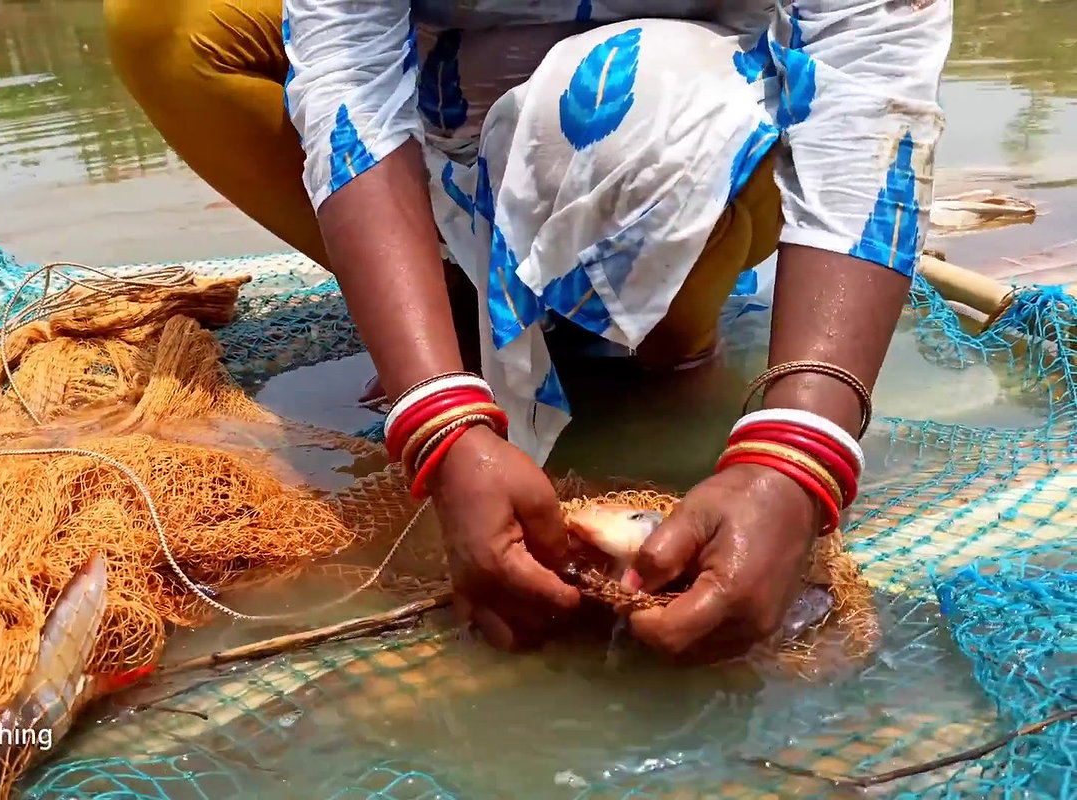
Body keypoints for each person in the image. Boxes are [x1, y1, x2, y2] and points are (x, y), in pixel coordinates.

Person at [104, 0, 952, 660]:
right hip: (454, 79)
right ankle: (451, 310)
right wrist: (436, 413)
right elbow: (349, 84)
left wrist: (798, 452)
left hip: (684, 91)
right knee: (163, 22)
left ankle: (660, 329)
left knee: (612, 92)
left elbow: (868, 79)